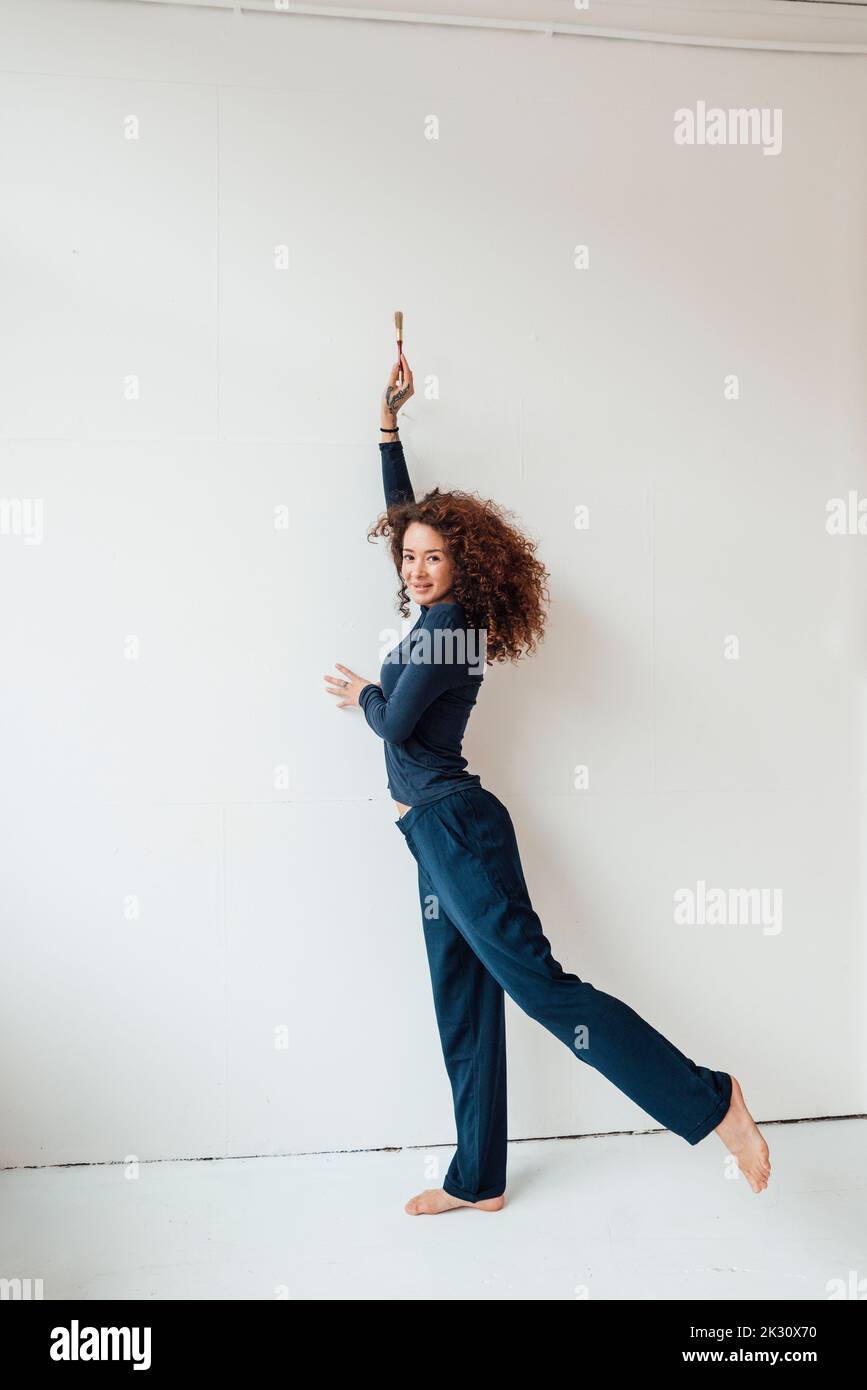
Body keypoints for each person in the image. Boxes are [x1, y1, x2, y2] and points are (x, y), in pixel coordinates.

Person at [324, 352, 771, 1215]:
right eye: (408, 557)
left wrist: (363, 694)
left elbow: (394, 721)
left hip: (457, 829)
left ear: (462, 565)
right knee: (461, 998)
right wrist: (388, 427)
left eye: (428, 558)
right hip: (431, 833)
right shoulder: (439, 608)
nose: (413, 569)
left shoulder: (452, 628)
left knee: (543, 991)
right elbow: (403, 519)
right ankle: (479, 1178)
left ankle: (713, 1101)